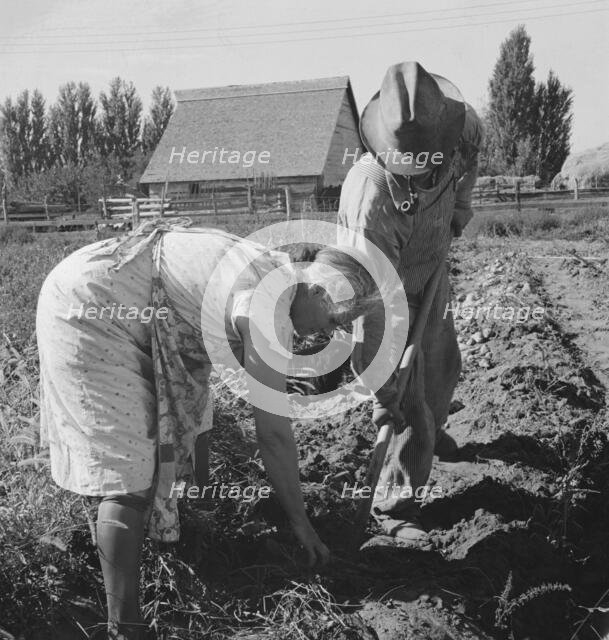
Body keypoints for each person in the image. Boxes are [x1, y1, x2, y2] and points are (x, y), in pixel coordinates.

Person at [36, 220, 380, 639]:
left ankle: (181, 536)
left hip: (115, 295)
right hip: (91, 310)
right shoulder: (267, 307)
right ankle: (125, 626)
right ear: (317, 290)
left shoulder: (273, 271)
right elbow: (272, 433)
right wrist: (302, 524)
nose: (327, 333)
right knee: (129, 476)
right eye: (333, 319)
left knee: (191, 426)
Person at [337, 61, 483, 544]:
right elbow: (371, 310)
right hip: (378, 289)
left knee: (442, 364)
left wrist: (458, 210)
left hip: (429, 266)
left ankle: (430, 427)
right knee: (404, 391)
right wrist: (386, 390)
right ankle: (395, 501)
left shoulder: (457, 133)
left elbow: (470, 165)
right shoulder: (372, 199)